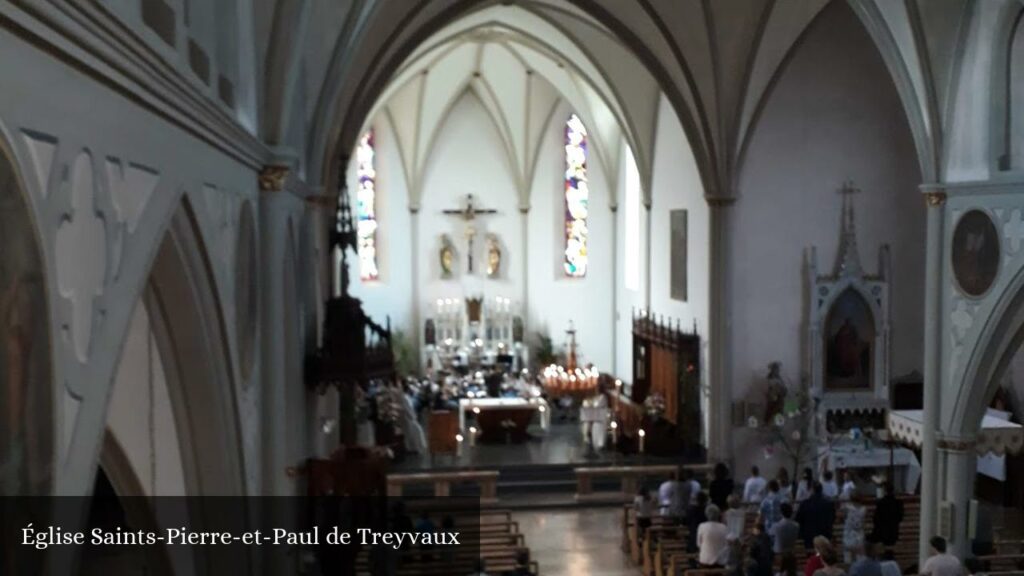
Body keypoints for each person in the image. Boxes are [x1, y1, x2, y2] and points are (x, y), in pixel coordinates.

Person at [796, 482, 836, 548]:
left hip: (809, 536)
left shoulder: (805, 504)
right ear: (821, 490)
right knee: (824, 554)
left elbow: (798, 519)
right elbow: (832, 518)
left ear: (812, 490)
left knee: (811, 555)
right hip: (825, 534)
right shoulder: (829, 504)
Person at [870, 482, 904, 547]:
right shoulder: (898, 503)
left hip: (883, 530)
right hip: (893, 530)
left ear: (885, 491)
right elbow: (900, 517)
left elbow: (876, 518)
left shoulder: (881, 502)